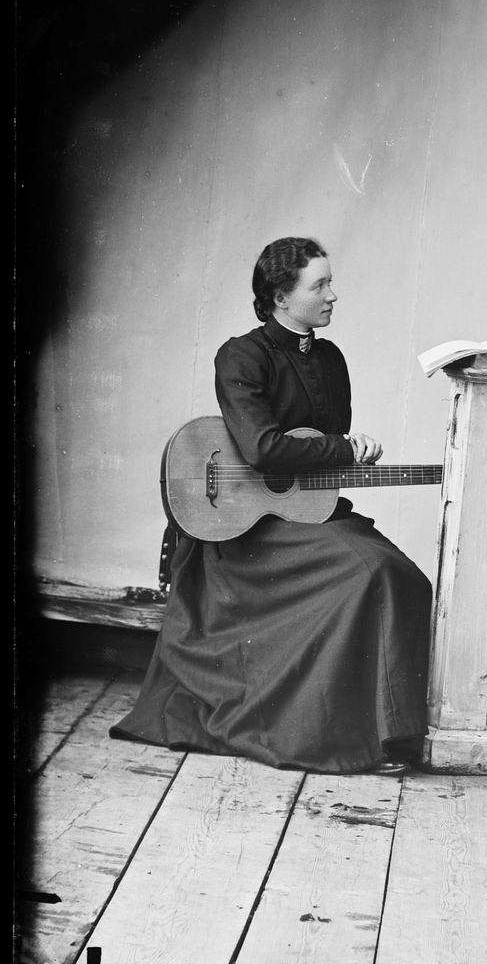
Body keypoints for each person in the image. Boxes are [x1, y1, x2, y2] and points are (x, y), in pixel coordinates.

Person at [112, 237, 431, 775]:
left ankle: (389, 731)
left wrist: (354, 456)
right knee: (372, 572)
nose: (333, 295)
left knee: (408, 578)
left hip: (304, 512)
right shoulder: (242, 355)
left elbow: (323, 455)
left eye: (330, 282)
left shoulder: (331, 358)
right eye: (320, 285)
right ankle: (346, 738)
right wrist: (342, 447)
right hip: (248, 531)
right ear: (282, 296)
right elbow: (262, 448)